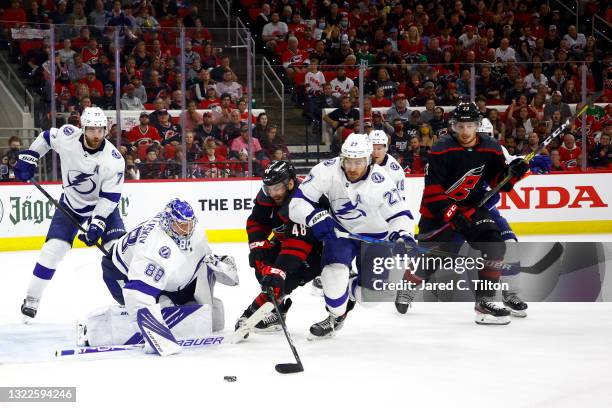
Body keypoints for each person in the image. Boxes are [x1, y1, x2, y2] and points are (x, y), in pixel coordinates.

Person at [411, 102, 529, 325]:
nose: (465, 132)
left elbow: (498, 183)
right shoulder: (441, 148)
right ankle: (407, 286)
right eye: (461, 126)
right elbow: (433, 189)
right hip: (438, 210)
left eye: (470, 126)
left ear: (477, 126)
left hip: (472, 208)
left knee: (495, 243)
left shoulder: (491, 146)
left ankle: (483, 303)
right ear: (453, 126)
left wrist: (513, 174)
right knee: (434, 260)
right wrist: (452, 214)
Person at [289, 133, 415, 338]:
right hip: (341, 233)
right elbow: (296, 205)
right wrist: (314, 217)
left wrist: (402, 234)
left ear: (368, 160)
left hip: (377, 238)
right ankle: (334, 316)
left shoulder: (381, 181)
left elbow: (400, 214)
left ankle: (351, 284)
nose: (353, 168)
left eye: (359, 162)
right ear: (342, 158)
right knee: (333, 277)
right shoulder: (326, 170)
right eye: (348, 161)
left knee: (371, 299)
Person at [81, 199, 238, 355]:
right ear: (168, 223)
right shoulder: (154, 248)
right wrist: (158, 337)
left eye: (189, 224)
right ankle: (97, 329)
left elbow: (202, 261)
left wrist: (218, 264)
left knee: (212, 319)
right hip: (117, 271)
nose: (187, 230)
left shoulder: (192, 231)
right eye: (181, 225)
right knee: (152, 307)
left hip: (138, 258)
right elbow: (138, 295)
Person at [14, 107, 126, 321]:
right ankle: (32, 299)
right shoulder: (68, 137)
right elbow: (46, 137)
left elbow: (110, 198)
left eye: (100, 130)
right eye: (91, 129)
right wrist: (30, 156)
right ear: (83, 129)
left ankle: (135, 300)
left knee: (118, 252)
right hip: (70, 206)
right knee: (52, 250)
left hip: (101, 208)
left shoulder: (113, 159)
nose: (96, 135)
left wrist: (97, 223)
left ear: (105, 130)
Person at [235, 161, 324, 336]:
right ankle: (277, 311)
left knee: (283, 280)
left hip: (314, 249)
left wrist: (279, 273)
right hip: (286, 240)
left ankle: (260, 309)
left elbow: (297, 245)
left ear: (290, 184)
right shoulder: (267, 196)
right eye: (269, 188)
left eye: (277, 188)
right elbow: (257, 221)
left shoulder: (302, 198)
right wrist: (257, 246)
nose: (272, 193)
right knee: (262, 266)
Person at [368, 130, 406, 199]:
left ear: (386, 148)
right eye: (372, 149)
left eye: (379, 149)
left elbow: (400, 197)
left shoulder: (394, 169)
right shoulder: (362, 162)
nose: (375, 152)